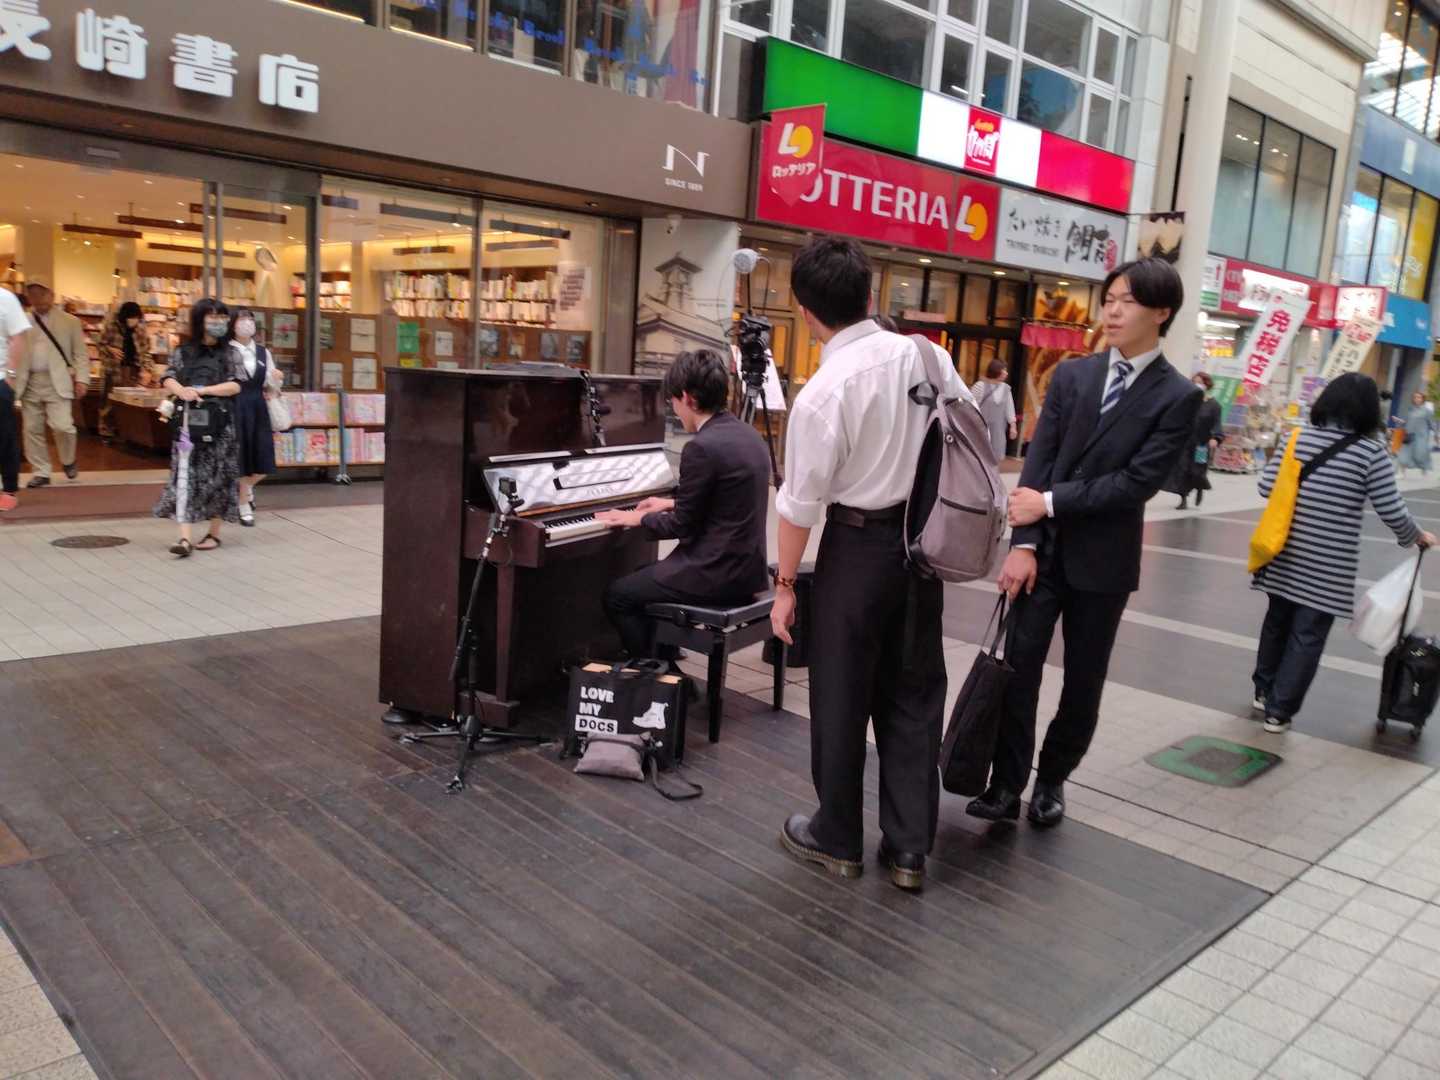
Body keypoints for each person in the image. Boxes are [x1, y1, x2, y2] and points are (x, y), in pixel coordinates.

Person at [770, 236, 973, 892]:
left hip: (855, 550)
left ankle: (837, 837)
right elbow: (972, 435)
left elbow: (799, 507)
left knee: (841, 692)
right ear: (869, 294)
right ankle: (909, 850)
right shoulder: (930, 357)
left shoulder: (822, 393)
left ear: (806, 312)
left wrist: (784, 586)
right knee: (914, 692)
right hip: (922, 546)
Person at [968, 258, 1201, 829]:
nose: (1112, 312)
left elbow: (1136, 484)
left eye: (1127, 301)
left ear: (1161, 312)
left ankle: (1052, 780)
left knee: (1083, 681)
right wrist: (1023, 544)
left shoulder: (1178, 396)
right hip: (1042, 555)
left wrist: (1049, 503)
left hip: (1104, 563)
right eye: (1109, 300)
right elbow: (1039, 462)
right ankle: (1006, 784)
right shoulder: (1073, 376)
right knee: (1017, 670)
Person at [1251, 374, 1434, 733]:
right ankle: (1278, 711)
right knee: (1307, 635)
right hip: (1328, 564)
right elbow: (1391, 509)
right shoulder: (1370, 452)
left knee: (1277, 623)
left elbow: (1265, 487)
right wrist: (1415, 537)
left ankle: (1262, 691)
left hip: (1282, 551)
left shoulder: (1296, 438)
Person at [598, 349, 771, 663]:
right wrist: (668, 502)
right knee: (643, 575)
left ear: (688, 398)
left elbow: (682, 525)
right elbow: (725, 499)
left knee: (619, 595)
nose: (674, 410)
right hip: (747, 571)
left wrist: (636, 518)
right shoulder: (749, 435)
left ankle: (658, 674)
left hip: (716, 573)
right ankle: (666, 657)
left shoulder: (701, 447)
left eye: (673, 401)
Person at [154, 299, 243, 557]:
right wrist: (181, 390)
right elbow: (167, 376)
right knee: (184, 475)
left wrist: (203, 390)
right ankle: (184, 538)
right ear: (199, 320)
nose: (219, 322)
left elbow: (236, 385)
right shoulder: (183, 351)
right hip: (187, 422)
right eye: (212, 317)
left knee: (220, 476)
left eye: (222, 317)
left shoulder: (232, 353)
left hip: (221, 424)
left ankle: (213, 533)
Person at [16, 278, 87, 488]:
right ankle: (41, 471)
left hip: (58, 380)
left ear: (51, 295)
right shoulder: (22, 321)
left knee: (63, 426)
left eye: (41, 293)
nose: (37, 298)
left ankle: (68, 459)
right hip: (29, 381)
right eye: (32, 294)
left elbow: (80, 354)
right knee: (32, 429)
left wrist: (82, 379)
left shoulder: (70, 322)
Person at [228, 308, 279, 526]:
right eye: (241, 319)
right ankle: (243, 505)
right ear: (232, 324)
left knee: (263, 454)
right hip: (234, 406)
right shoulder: (226, 350)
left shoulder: (262, 352)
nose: (247, 323)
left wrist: (276, 379)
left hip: (258, 406)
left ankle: (246, 488)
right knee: (241, 456)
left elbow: (270, 382)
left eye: (250, 319)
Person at [1168, 371, 1225, 509]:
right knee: (1182, 470)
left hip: (1202, 445)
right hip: (1185, 443)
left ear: (1207, 384)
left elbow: (1217, 424)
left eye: (1199, 382)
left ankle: (1199, 487)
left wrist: (1215, 438)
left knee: (1197, 471)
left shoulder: (1214, 406)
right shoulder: (1188, 402)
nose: (1196, 384)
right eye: (1194, 382)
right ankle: (1183, 499)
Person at [0, 286, 31, 512]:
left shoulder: (5, 298)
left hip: (0, 379)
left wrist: (10, 375)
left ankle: (9, 490)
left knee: (5, 437)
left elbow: (18, 337)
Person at [96, 301, 146, 442]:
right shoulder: (111, 326)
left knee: (129, 402)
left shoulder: (140, 329)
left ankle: (126, 432)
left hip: (132, 370)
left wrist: (147, 369)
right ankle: (106, 430)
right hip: (113, 369)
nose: (134, 320)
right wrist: (110, 349)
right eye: (132, 317)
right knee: (109, 401)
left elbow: (145, 350)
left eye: (137, 318)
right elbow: (100, 344)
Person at [971, 358, 1018, 461]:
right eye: (1004, 370)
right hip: (981, 429)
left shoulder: (1006, 389)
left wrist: (1013, 426)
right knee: (979, 457)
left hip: (998, 431)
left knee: (995, 458)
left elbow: (1009, 409)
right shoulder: (980, 386)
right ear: (996, 370)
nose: (1006, 373)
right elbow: (970, 407)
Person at [1398, 390, 1433, 477]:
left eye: (1419, 397)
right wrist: (1399, 421)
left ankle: (1424, 468)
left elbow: (1431, 424)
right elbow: (1406, 421)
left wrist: (1435, 435)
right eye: (1415, 397)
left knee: (1420, 455)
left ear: (1422, 399)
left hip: (1421, 437)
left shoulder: (1427, 411)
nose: (1417, 399)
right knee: (1404, 454)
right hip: (1409, 435)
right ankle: (1402, 473)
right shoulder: (1410, 409)